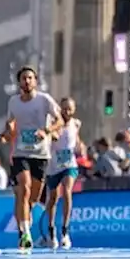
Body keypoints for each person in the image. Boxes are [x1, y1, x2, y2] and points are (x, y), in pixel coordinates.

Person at [0, 66, 62, 250]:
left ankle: (24, 217)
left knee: (32, 198)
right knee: (23, 189)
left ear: (35, 81)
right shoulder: (13, 102)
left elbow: (59, 120)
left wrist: (47, 131)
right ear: (19, 82)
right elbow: (10, 123)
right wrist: (6, 134)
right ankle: (24, 233)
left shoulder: (44, 100)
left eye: (30, 78)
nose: (27, 81)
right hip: (20, 153)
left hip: (41, 154)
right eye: (24, 78)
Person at [44, 96, 82, 250]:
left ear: (74, 110)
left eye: (70, 108)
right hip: (54, 166)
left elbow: (76, 139)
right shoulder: (54, 124)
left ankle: (65, 231)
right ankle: (51, 230)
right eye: (64, 108)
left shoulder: (76, 123)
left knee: (67, 191)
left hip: (69, 164)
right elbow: (49, 138)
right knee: (53, 198)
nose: (67, 111)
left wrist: (81, 146)